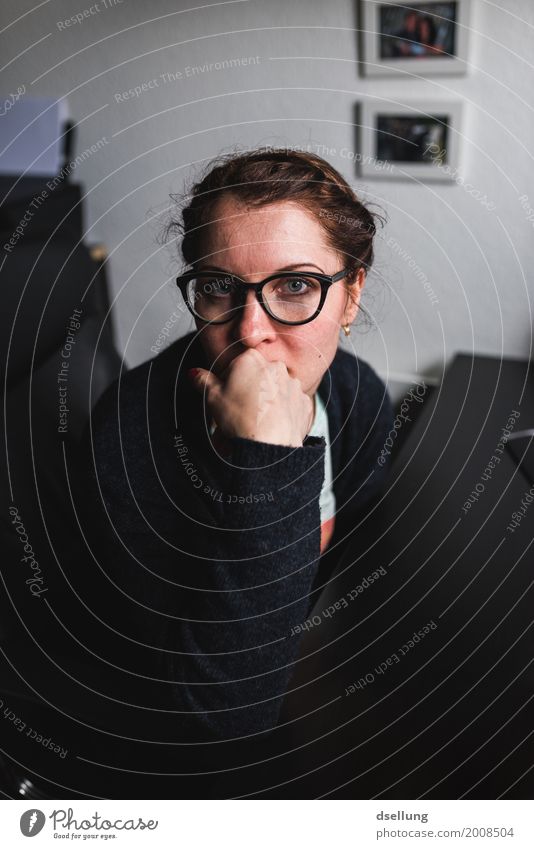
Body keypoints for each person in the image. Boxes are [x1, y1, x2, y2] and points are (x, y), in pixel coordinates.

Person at [76, 148, 395, 780]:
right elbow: (223, 712)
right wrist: (267, 460)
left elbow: (359, 558)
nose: (252, 330)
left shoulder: (357, 392)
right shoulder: (128, 431)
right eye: (222, 287)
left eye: (296, 285)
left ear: (351, 296)